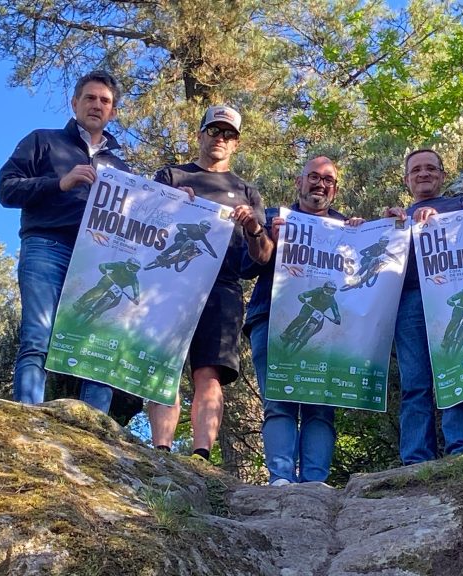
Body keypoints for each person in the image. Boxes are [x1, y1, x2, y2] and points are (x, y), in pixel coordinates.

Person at [0, 70, 129, 412]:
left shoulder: (120, 167)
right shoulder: (43, 140)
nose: (97, 105)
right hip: (46, 248)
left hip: (96, 262)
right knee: (37, 338)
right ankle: (29, 417)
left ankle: (94, 430)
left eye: (105, 101)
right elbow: (6, 189)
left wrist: (181, 203)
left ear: (113, 111)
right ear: (74, 103)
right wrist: (59, 183)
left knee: (98, 349)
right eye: (90, 98)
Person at [147, 105, 272, 461]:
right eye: (214, 131)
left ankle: (201, 456)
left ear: (236, 144)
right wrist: (170, 206)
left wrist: (253, 227)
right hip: (168, 284)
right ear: (200, 135)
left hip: (223, 288)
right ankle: (161, 451)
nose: (220, 138)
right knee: (162, 365)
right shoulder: (171, 176)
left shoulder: (246, 191)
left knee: (209, 373)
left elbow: (262, 257)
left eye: (228, 134)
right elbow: (144, 223)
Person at [242, 156, 363, 485]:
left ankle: (315, 483)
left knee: (321, 407)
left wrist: (366, 236)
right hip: (270, 317)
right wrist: (266, 236)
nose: (320, 184)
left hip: (327, 333)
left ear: (335, 190)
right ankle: (280, 479)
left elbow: (365, 281)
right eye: (314, 177)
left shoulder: (347, 228)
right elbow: (250, 264)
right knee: (278, 401)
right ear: (299, 182)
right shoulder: (274, 218)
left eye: (328, 180)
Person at [386, 149, 463, 464]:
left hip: (452, 294)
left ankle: (460, 449)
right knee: (414, 382)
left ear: (441, 175)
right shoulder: (395, 217)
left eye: (430, 168)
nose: (423, 174)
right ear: (406, 179)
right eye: (416, 170)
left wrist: (445, 224)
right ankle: (415, 459)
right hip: (409, 300)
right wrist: (384, 230)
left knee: (455, 372)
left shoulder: (461, 205)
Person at [73, 257, 142, 317]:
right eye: (130, 268)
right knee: (98, 289)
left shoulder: (134, 280)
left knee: (116, 302)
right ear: (126, 265)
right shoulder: (119, 265)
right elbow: (103, 265)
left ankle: (100, 311)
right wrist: (103, 269)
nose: (132, 271)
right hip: (108, 280)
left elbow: (136, 291)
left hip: (118, 288)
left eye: (135, 270)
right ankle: (80, 302)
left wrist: (136, 298)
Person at [280, 281, 341, 347]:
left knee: (319, 327)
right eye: (327, 290)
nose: (328, 293)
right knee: (301, 317)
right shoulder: (317, 291)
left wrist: (337, 319)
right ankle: (286, 332)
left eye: (331, 291)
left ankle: (306, 338)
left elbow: (337, 313)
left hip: (319, 313)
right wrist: (302, 297)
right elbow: (305, 294)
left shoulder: (332, 301)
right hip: (309, 307)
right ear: (323, 288)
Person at [152, 220, 218, 268]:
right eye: (206, 228)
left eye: (208, 229)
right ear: (201, 226)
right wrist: (183, 230)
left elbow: (208, 245)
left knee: (195, 250)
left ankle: (170, 261)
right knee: (180, 244)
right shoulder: (194, 227)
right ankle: (164, 254)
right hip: (181, 237)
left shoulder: (202, 235)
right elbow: (179, 225)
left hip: (188, 242)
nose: (206, 230)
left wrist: (214, 254)